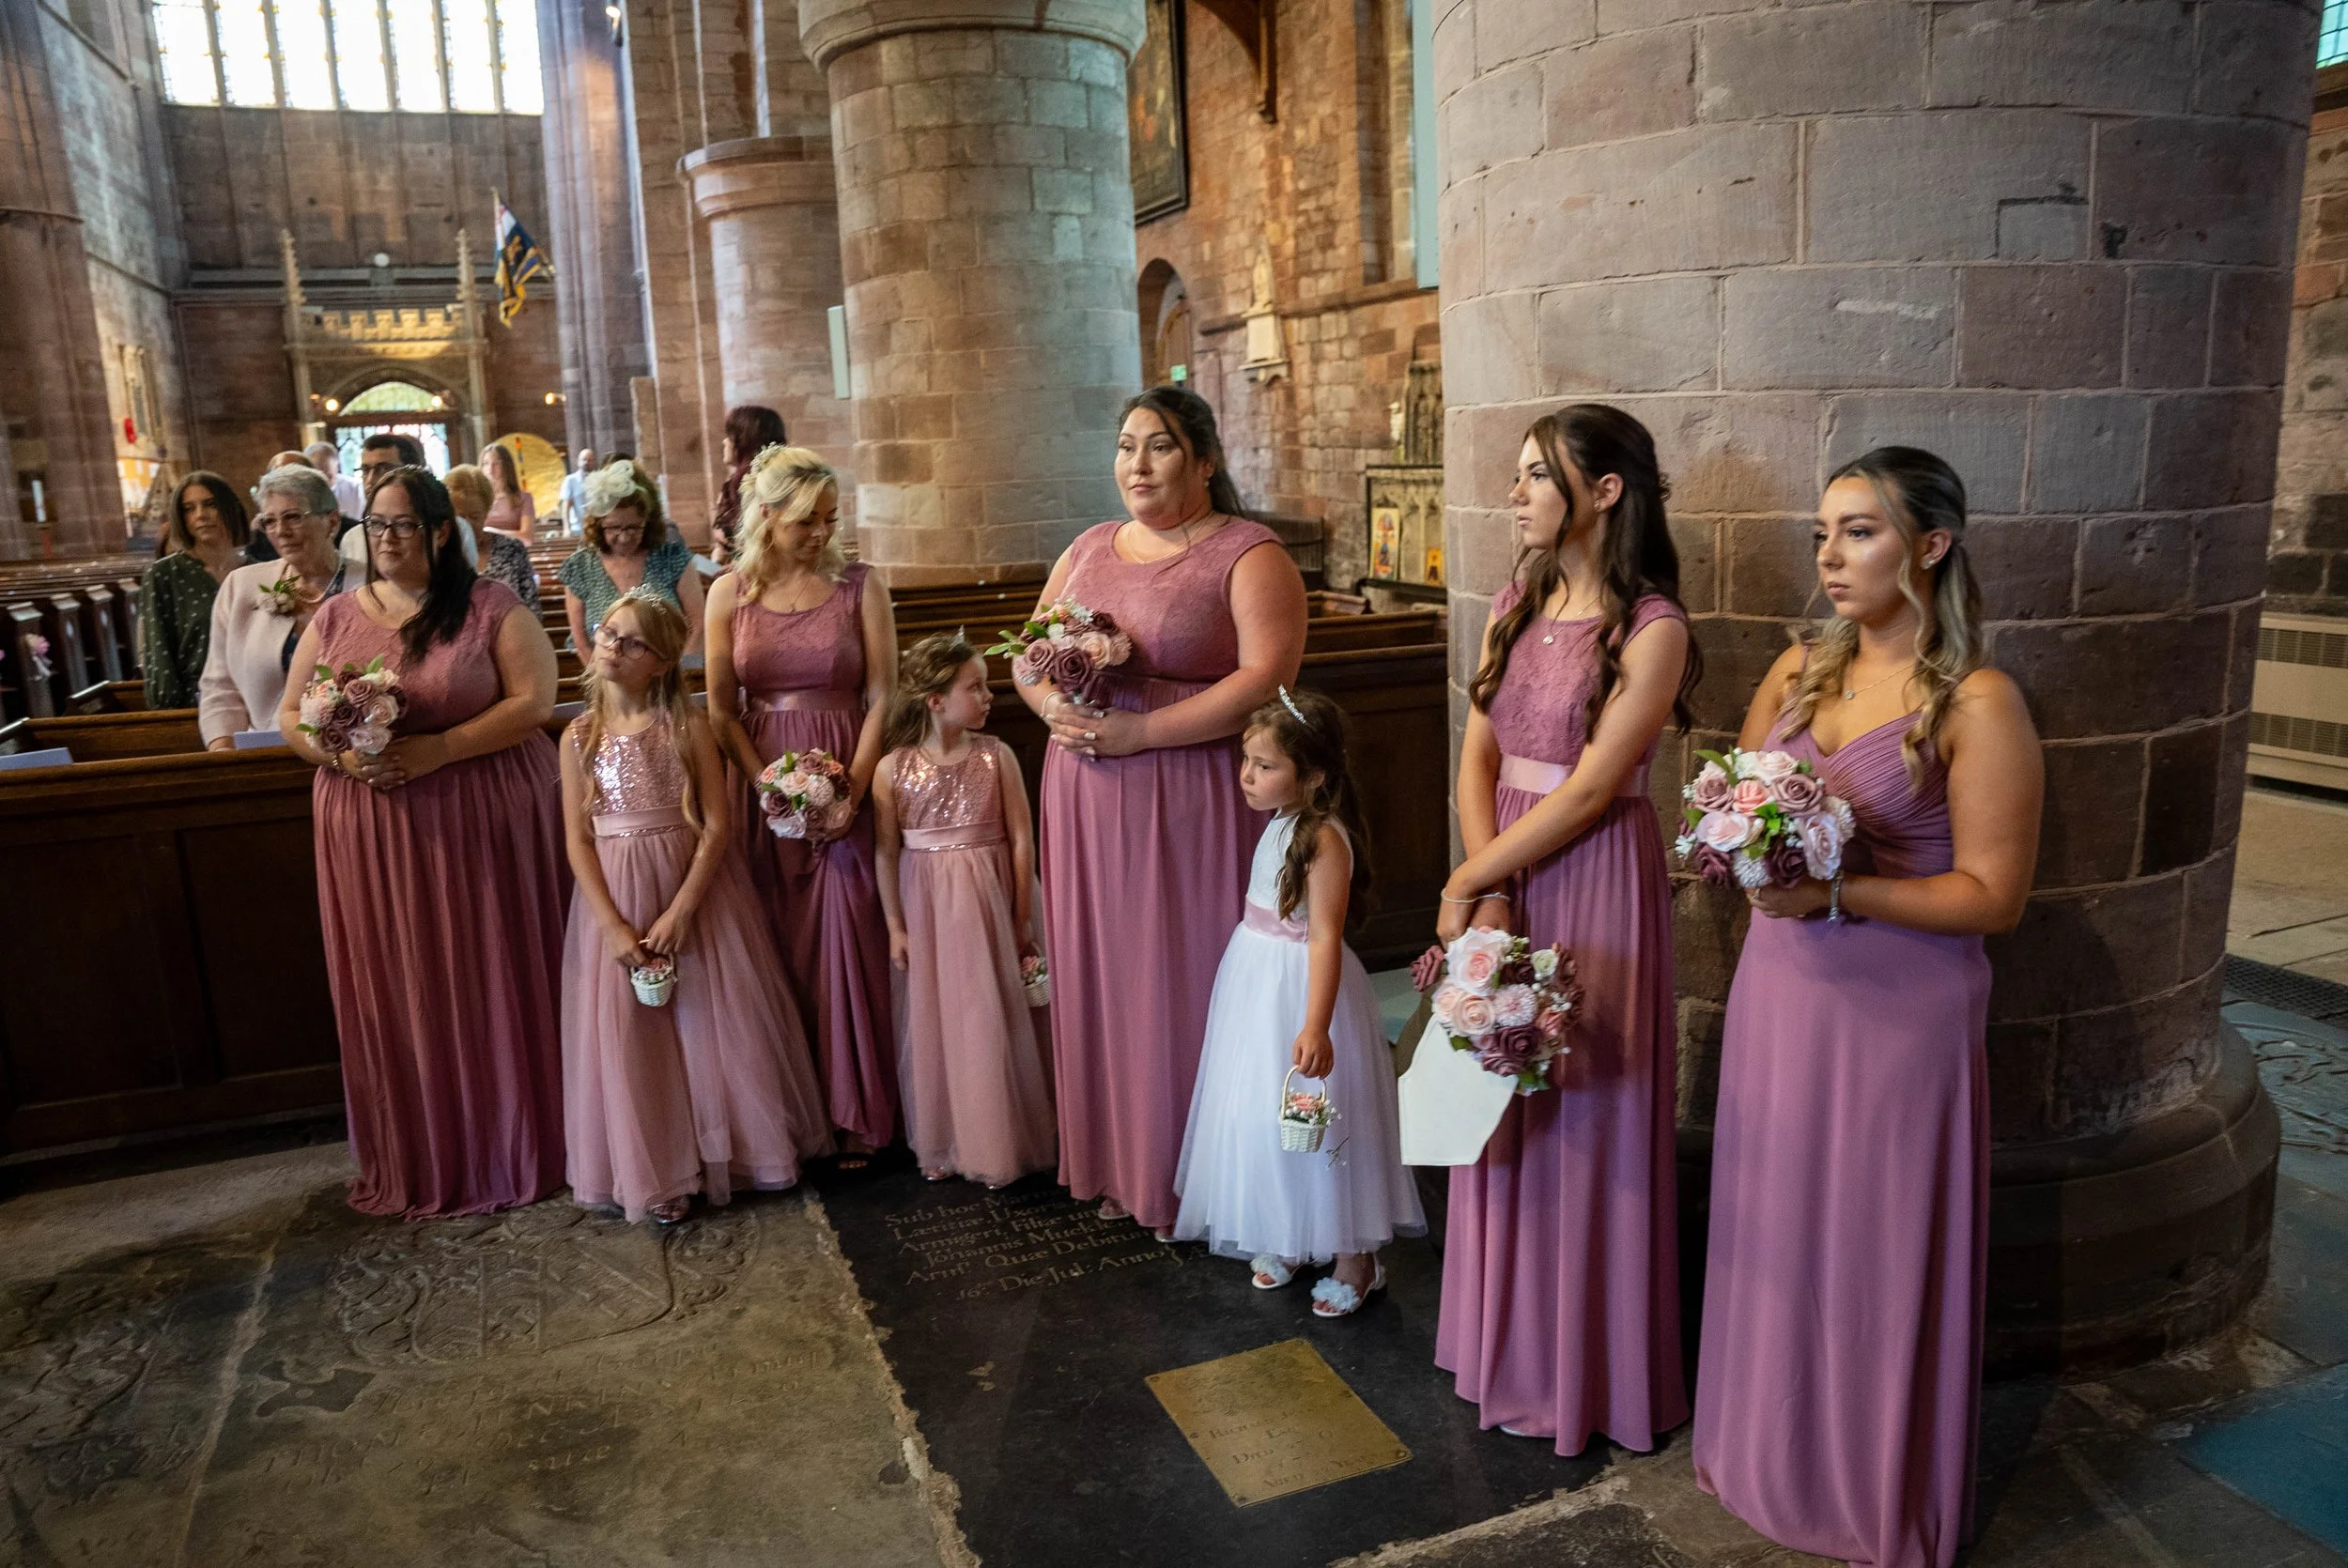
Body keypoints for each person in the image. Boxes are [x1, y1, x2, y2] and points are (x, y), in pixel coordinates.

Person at [1693, 448, 2042, 1568]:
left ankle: (1864, 1481)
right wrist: (1737, 849)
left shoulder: (1977, 700)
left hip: (1900, 1008)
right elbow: (1741, 800)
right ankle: (1765, 1451)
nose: (1829, 557)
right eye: (1821, 535)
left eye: (1858, 533)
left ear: (1929, 546)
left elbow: (1994, 894)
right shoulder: (1797, 669)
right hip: (1785, 989)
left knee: (1874, 1242)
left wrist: (1834, 888)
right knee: (1777, 1224)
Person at [1432, 405, 1698, 1455]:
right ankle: (1503, 1341)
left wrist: (1472, 875)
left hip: (1593, 881)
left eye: (1537, 474)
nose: (1516, 491)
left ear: (1603, 491)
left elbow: (1590, 792)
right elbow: (1476, 756)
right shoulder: (1514, 599)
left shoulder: (1653, 627)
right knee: (1494, 1098)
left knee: (1583, 1110)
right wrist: (1486, 884)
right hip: (1508, 865)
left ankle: (1583, 1368)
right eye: (1517, 474)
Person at [1023, 386, 1306, 1238]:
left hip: (1188, 792)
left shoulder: (1249, 554)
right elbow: (1028, 657)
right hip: (1085, 790)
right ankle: (1116, 1159)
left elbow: (1267, 682)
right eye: (1124, 447)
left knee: (1179, 974)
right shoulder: (1085, 549)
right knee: (1104, 969)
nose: (1136, 464)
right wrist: (1052, 711)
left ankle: (1200, 1176)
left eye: (1159, 446)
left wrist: (1142, 733)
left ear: (1206, 460)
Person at [276, 466, 567, 1219]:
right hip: (371, 830)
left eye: (403, 525)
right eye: (375, 526)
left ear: (441, 531)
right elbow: (291, 720)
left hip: (479, 818)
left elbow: (535, 700)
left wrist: (444, 750)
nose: (386, 540)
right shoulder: (338, 615)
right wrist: (339, 754)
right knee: (399, 982)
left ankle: (518, 1142)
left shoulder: (486, 606)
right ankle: (421, 1149)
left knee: (490, 971)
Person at [558, 591, 831, 1224]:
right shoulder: (579, 736)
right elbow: (576, 839)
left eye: (631, 642)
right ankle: (654, 1166)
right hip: (616, 895)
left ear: (660, 661)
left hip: (693, 893)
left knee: (708, 1025)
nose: (612, 648)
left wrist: (681, 911)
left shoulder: (689, 728)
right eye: (608, 634)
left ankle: (733, 1153)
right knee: (633, 1036)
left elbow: (717, 826)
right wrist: (611, 925)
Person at [1172, 687, 1423, 1315]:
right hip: (1255, 980)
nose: (1247, 776)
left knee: (1322, 1114)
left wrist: (1316, 1024)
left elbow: (1325, 936)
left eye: (1265, 765)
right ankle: (1286, 1230)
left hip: (1304, 991)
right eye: (1247, 760)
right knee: (1266, 1111)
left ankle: (1353, 1255)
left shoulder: (1323, 840)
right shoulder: (1282, 823)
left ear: (1310, 777)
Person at [704, 445, 900, 1157]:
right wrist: (768, 788)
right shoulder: (731, 593)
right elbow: (722, 711)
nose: (820, 533)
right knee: (774, 944)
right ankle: (793, 1118)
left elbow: (884, 693)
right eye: (803, 522)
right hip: (762, 781)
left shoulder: (859, 586)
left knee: (848, 934)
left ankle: (859, 1114)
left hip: (849, 764)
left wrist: (849, 784)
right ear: (766, 517)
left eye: (828, 518)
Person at [872, 633, 1056, 1189]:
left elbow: (1023, 839)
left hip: (992, 900)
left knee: (993, 1015)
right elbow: (886, 850)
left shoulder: (996, 756)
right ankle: (945, 1136)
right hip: (928, 907)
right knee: (940, 1020)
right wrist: (895, 925)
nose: (987, 697)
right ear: (934, 699)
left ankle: (1003, 1137)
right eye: (974, 687)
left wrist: (1021, 915)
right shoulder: (891, 769)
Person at [199, 465, 349, 746]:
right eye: (269, 521)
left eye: (293, 517)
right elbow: (219, 687)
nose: (281, 531)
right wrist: (222, 752)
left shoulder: (368, 584)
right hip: (264, 754)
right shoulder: (241, 586)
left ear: (332, 521)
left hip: (352, 754)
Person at [561, 459, 703, 657]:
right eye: (613, 528)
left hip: (673, 673)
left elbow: (699, 626)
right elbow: (582, 642)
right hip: (605, 677)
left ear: (648, 522)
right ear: (598, 524)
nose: (624, 537)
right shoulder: (580, 567)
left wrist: (680, 674)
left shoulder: (672, 557)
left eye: (633, 527)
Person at [141, 471, 253, 709]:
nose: (200, 515)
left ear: (230, 507)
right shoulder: (164, 575)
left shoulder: (257, 569)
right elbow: (158, 653)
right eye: (189, 509)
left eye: (210, 504)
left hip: (260, 698)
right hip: (197, 704)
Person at [446, 463, 542, 611]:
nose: (469, 524)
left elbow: (532, 606)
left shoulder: (512, 549)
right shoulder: (441, 554)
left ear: (486, 513)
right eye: (461, 518)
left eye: (475, 516)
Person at [341, 433, 429, 568]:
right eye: (365, 470)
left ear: (412, 472)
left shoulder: (439, 528)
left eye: (383, 469)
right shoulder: (353, 538)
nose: (370, 480)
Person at [712, 407, 786, 562]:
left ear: (746, 441)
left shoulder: (772, 487)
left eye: (731, 436)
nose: (725, 442)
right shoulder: (731, 487)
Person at [482, 441, 539, 540]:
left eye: (496, 463)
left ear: (506, 466)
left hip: (512, 552)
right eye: (486, 463)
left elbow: (527, 537)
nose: (490, 469)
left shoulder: (524, 498)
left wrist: (491, 532)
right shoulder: (477, 499)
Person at [307, 439, 364, 518]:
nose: (324, 481)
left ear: (337, 467)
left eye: (329, 476)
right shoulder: (302, 493)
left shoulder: (356, 489)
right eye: (318, 476)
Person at [558, 446, 597, 535]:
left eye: (590, 460)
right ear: (578, 461)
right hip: (578, 527)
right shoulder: (570, 480)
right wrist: (566, 528)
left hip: (596, 525)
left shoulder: (599, 478)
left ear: (594, 462)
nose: (587, 462)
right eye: (584, 459)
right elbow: (566, 506)